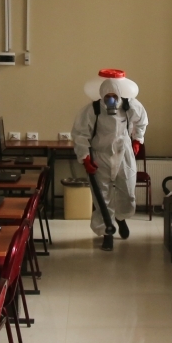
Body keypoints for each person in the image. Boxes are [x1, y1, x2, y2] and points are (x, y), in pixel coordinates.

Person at [72, 69, 148, 250]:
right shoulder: (92, 110)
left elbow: (142, 121)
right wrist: (85, 158)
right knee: (102, 197)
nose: (111, 100)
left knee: (127, 192)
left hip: (124, 155)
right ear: (102, 95)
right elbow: (80, 135)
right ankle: (107, 231)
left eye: (114, 96)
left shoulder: (130, 106)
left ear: (120, 94)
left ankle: (121, 219)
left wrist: (137, 139)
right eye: (107, 96)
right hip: (101, 155)